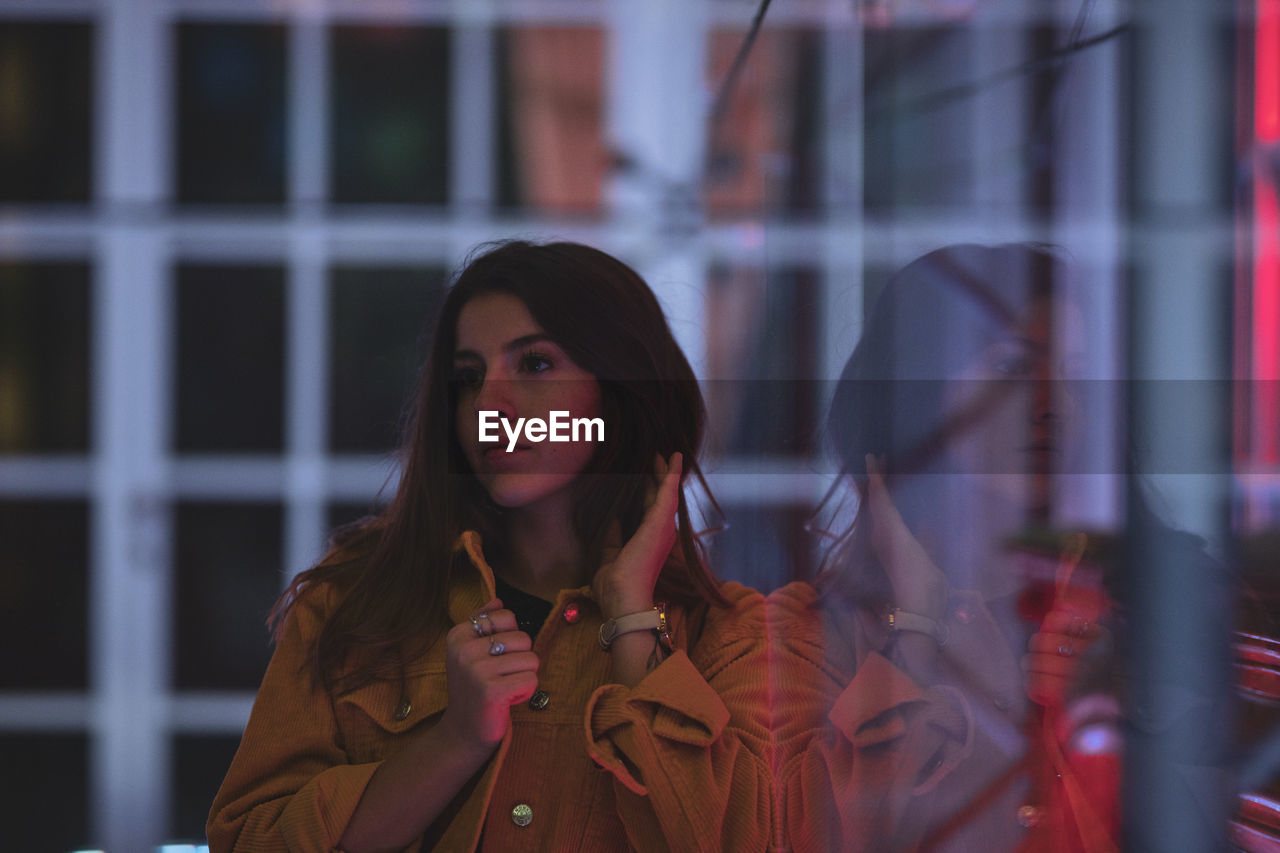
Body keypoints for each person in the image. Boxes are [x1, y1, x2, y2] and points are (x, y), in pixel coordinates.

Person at [208, 241, 771, 852]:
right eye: (469, 378)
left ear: (621, 393)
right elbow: (247, 842)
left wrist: (634, 621)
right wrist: (454, 742)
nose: (487, 408)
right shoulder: (353, 599)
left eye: (533, 365)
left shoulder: (729, 637)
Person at [769, 244, 1126, 852]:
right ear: (918, 393)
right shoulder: (799, 645)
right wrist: (916, 631)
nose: (1054, 406)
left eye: (1075, 374)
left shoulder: (1121, 612)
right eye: (1014, 369)